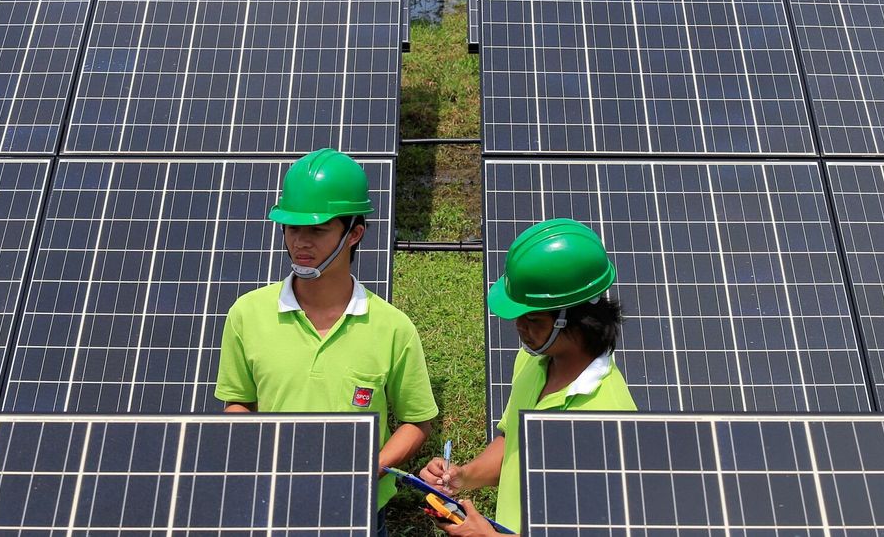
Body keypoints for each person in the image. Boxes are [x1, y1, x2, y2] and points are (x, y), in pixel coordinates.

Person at [216, 148, 438, 536]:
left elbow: (417, 421)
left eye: (317, 230)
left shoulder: (392, 328)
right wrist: (261, 455)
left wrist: (369, 467)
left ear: (354, 233)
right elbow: (238, 402)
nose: (301, 242)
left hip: (360, 510)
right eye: (292, 228)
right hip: (272, 502)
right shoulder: (246, 315)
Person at [419, 218, 637, 536]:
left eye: (532, 318)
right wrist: (463, 476)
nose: (519, 326)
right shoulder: (533, 360)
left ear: (576, 319)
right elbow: (513, 444)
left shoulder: (607, 416)